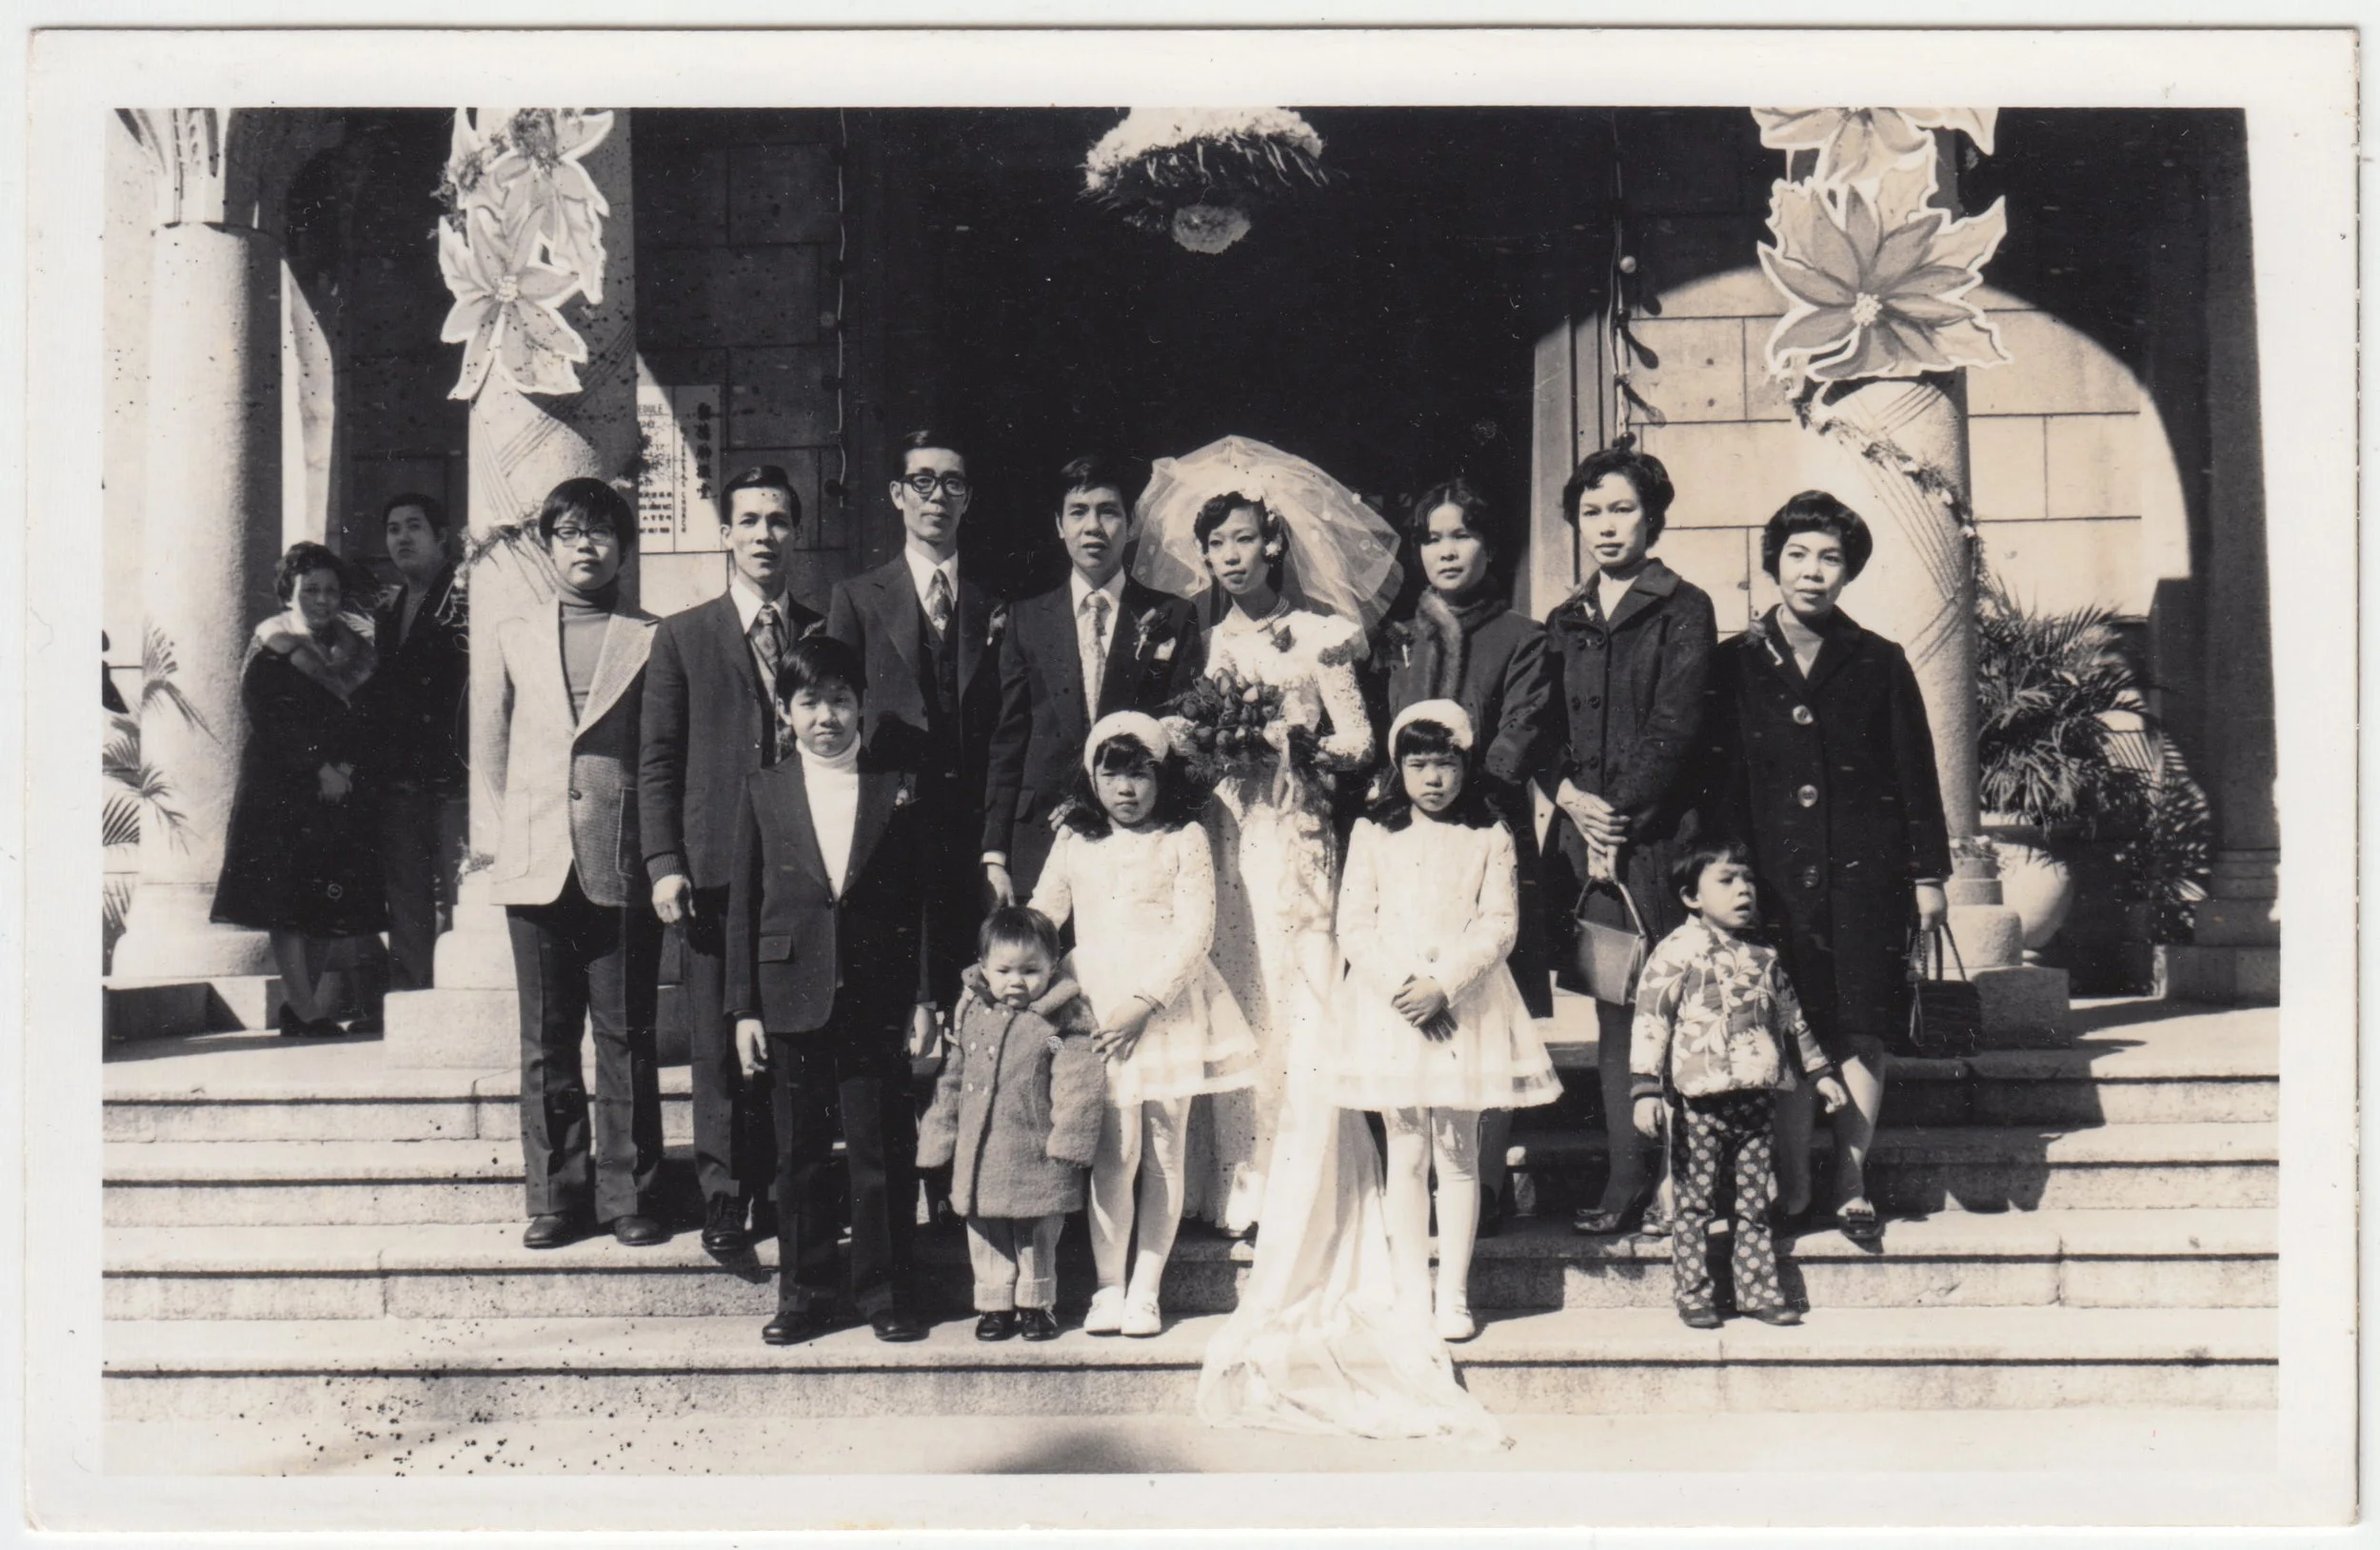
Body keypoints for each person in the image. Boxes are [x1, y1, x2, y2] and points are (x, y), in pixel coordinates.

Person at [1136, 436, 1498, 1446]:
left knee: (1298, 999)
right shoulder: (1206, 646)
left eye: (1245, 540)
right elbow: (1188, 745)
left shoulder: (1326, 635)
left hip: (1296, 840)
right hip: (1229, 833)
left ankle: (1299, 1180)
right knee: (1241, 997)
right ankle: (1238, 1182)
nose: (1232, 558)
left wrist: (1290, 742)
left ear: (1274, 544)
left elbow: (1357, 742)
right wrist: (1213, 746)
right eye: (1217, 547)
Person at [1704, 491, 1950, 1249]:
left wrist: (1928, 876)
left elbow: (1916, 772)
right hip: (1768, 880)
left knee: (1862, 1030)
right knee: (1783, 1032)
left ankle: (1849, 1180)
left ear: (1850, 572)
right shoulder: (1733, 663)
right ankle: (1794, 1179)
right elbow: (1718, 779)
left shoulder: (1879, 660)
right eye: (1799, 555)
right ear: (1774, 562)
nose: (1813, 572)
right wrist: (1723, 879)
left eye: (1831, 558)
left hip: (1864, 878)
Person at [728, 633, 941, 1346]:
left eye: (841, 701)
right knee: (799, 1154)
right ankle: (805, 1294)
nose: (827, 717)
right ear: (786, 712)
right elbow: (744, 906)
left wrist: (923, 999)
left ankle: (885, 1289)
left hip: (875, 998)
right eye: (810, 702)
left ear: (861, 707)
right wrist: (743, 1010)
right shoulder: (764, 791)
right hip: (790, 996)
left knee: (881, 1147)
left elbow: (918, 904)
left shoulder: (893, 789)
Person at [1328, 702, 1560, 1342]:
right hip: (1391, 1009)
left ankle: (1452, 1294)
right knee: (1404, 1150)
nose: (1432, 778)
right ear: (1398, 768)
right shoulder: (1374, 833)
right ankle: (1411, 1289)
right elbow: (1354, 923)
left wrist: (1444, 986)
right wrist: (1404, 987)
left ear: (1466, 765)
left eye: (1446, 764)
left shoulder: (1489, 833)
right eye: (1418, 764)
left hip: (1465, 1007)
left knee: (1457, 1153)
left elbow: (1498, 925)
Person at [640, 465, 823, 1253]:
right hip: (712, 871)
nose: (763, 536)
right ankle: (723, 1194)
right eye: (749, 521)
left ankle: (787, 1193)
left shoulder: (822, 630)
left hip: (798, 873)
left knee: (787, 1036)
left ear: (796, 532)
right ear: (725, 535)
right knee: (716, 1040)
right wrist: (663, 861)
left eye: (778, 521)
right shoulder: (683, 635)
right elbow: (657, 759)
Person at [1026, 712, 1257, 1338]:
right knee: (1113, 1150)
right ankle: (1108, 1286)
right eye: (1112, 774)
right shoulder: (1076, 839)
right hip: (1097, 1009)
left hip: (1165, 1007)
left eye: (1139, 774)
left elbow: (1195, 931)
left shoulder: (1183, 837)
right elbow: (1045, 914)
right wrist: (1016, 955)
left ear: (1160, 777)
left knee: (1161, 1148)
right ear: (1092, 779)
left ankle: (1146, 1289)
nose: (1125, 789)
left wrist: (1146, 1002)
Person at [1538, 439, 1718, 1239]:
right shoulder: (1565, 618)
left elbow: (1678, 726)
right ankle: (1623, 1175)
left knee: (1674, 1014)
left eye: (1621, 510)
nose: (1606, 527)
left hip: (1661, 844)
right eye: (1591, 513)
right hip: (1588, 845)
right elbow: (1540, 730)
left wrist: (1619, 818)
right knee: (1615, 1021)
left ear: (1653, 518)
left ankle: (1683, 1182)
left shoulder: (1685, 607)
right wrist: (1574, 800)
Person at [485, 478, 666, 1251]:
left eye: (599, 533)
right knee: (546, 1038)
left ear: (623, 546)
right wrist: (512, 831)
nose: (584, 546)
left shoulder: (654, 635)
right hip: (535, 857)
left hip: (617, 859)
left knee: (625, 1034)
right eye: (567, 533)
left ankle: (630, 1194)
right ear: (548, 545)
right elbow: (488, 746)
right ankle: (555, 1196)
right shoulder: (511, 632)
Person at [1376, 477, 1557, 1233]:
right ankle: (1410, 1189)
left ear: (1488, 546)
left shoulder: (1521, 636)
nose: (1446, 552)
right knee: (1410, 1003)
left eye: (1462, 536)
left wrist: (1458, 789)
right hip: (1404, 848)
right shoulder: (1397, 636)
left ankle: (1479, 1187)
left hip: (1484, 835)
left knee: (1484, 1007)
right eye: (1433, 538)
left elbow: (1518, 734)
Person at [1630, 842, 1850, 1327]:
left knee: (1754, 1203)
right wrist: (1645, 1088)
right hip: (1698, 1103)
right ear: (1692, 897)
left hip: (1755, 1101)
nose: (1743, 890)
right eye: (1726, 881)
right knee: (1693, 1204)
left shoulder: (1764, 956)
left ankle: (1757, 1290)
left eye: (1747, 880)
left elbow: (1794, 1022)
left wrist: (1821, 1073)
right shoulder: (1675, 953)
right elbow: (1650, 1021)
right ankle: (1693, 1293)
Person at [824, 428, 1004, 1015]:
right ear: (898, 494)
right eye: (922, 482)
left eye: (952, 484)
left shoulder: (993, 598)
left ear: (970, 499)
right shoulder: (855, 597)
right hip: (890, 821)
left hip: (973, 822)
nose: (937, 497)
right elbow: (838, 707)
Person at [983, 454, 1205, 904]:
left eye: (1108, 511)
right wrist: (995, 853)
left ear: (1130, 523)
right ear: (1059, 525)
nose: (1093, 526)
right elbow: (1008, 740)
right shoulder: (1026, 619)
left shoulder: (1170, 616)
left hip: (1138, 838)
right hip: (1040, 836)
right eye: (1078, 512)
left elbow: (1182, 736)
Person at [211, 542, 387, 1037]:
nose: (323, 599)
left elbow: (369, 720)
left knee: (328, 896)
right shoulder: (273, 646)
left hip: (340, 787)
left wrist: (347, 767)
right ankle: (303, 1005)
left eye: (331, 590)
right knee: (287, 899)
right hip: (281, 786)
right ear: (289, 592)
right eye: (311, 589)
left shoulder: (358, 652)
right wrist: (320, 769)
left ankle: (301, 1007)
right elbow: (269, 717)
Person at [916, 906, 1107, 1343]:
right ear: (983, 968)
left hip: (1035, 1149)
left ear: (1052, 968)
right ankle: (994, 1304)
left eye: (1030, 970)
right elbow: (953, 1080)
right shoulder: (974, 1016)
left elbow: (1076, 1078)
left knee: (1035, 1233)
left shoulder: (1056, 1023)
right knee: (986, 1232)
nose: (1016, 981)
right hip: (980, 1154)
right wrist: (938, 1137)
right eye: (1003, 970)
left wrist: (1069, 1140)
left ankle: (1036, 1304)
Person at [360, 492, 468, 999]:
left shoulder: (465, 597)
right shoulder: (390, 609)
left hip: (454, 776)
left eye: (414, 527)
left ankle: (454, 996)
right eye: (393, 529)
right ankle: (411, 998)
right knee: (405, 897)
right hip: (400, 778)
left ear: (441, 536)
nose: (401, 538)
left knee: (460, 892)